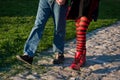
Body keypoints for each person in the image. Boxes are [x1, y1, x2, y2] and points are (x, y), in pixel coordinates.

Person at [16, 0, 68, 65]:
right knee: (38, 25)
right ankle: (28, 55)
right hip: (44, 1)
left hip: (59, 2)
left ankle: (59, 53)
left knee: (59, 28)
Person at [67, 0, 100, 70]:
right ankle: (82, 56)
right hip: (77, 4)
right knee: (79, 32)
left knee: (81, 31)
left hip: (89, 5)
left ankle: (77, 60)